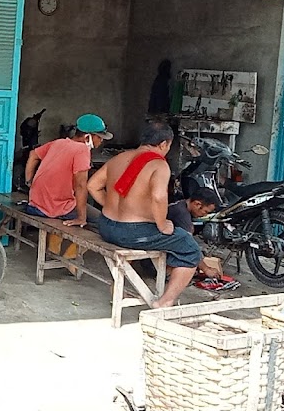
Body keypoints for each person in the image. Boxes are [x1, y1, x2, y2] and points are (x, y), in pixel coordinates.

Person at [87, 121, 202, 308]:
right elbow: (158, 197)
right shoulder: (159, 165)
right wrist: (162, 224)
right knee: (190, 248)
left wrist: (110, 206)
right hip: (133, 233)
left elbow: (92, 185)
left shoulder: (119, 158)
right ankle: (165, 302)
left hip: (106, 226)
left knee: (169, 238)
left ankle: (119, 286)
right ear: (164, 144)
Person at [24, 114, 112, 274]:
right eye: (99, 137)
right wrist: (81, 217)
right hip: (55, 206)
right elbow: (81, 186)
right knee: (104, 223)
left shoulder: (59, 142)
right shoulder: (82, 150)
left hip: (35, 204)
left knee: (73, 210)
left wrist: (29, 181)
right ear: (88, 137)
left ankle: (53, 247)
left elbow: (33, 155)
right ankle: (71, 258)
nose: (101, 141)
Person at [168, 187, 223, 278]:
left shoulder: (182, 205)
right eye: (205, 211)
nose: (205, 215)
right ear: (197, 204)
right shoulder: (182, 213)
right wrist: (206, 269)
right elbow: (189, 245)